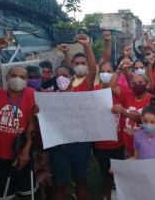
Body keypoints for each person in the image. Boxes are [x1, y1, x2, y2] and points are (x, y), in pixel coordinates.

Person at [0, 38, 37, 200]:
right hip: (1, 156)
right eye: (14, 75)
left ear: (26, 80)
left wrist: (26, 151)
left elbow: (31, 125)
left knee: (27, 194)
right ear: (7, 78)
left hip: (23, 153)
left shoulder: (31, 95)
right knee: (3, 196)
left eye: (22, 77)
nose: (18, 79)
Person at [49, 34, 97, 200]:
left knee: (81, 180)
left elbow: (92, 69)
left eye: (64, 75)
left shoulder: (82, 90)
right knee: (60, 183)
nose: (61, 78)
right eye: (58, 76)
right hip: (59, 146)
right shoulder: (49, 97)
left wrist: (87, 46)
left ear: (71, 77)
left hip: (80, 144)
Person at [92, 61, 124, 200]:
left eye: (109, 71)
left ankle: (120, 194)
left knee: (119, 173)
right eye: (103, 71)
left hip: (118, 142)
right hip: (100, 143)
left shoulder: (120, 90)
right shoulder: (94, 91)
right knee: (105, 174)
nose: (106, 74)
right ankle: (108, 196)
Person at [110, 58, 152, 157]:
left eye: (140, 83)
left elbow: (143, 118)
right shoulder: (128, 95)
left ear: (147, 84)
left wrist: (124, 111)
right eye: (133, 83)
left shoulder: (152, 99)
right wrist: (118, 70)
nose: (136, 85)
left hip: (145, 148)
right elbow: (113, 87)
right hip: (128, 148)